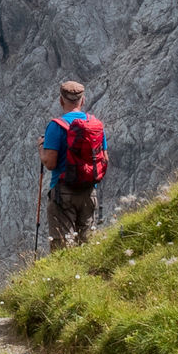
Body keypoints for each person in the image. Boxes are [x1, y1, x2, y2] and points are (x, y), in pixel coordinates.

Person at [39, 80, 107, 251]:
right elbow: (104, 158)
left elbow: (50, 163)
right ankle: (90, 276)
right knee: (88, 245)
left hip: (63, 192)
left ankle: (66, 276)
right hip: (89, 191)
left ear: (61, 101)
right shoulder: (95, 126)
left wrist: (41, 148)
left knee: (62, 247)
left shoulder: (56, 126)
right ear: (82, 100)